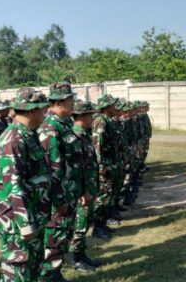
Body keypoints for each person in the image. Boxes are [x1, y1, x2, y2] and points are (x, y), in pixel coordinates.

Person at [0, 88, 51, 281]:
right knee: (17, 274)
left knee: (32, 270)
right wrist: (25, 225)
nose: (46, 112)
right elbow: (13, 185)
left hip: (33, 215)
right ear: (32, 110)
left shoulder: (28, 134)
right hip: (17, 222)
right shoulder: (14, 139)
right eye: (43, 108)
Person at [37, 82, 78, 282]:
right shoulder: (50, 127)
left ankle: (55, 272)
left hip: (69, 191)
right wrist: (59, 197)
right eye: (71, 100)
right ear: (60, 102)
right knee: (54, 235)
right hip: (57, 195)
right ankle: (47, 275)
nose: (74, 104)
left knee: (63, 235)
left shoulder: (65, 123)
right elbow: (52, 168)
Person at [68, 100, 101, 273]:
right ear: (81, 116)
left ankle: (81, 254)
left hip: (88, 188)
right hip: (81, 191)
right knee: (79, 225)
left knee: (86, 222)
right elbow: (76, 168)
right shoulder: (73, 136)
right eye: (90, 115)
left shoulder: (84, 134)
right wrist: (83, 191)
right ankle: (75, 258)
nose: (93, 118)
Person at [92, 94, 120, 234]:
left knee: (107, 196)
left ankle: (102, 223)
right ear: (107, 107)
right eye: (113, 105)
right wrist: (101, 168)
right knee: (102, 197)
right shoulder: (100, 121)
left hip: (109, 165)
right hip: (104, 167)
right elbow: (98, 147)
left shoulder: (106, 120)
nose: (115, 107)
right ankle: (97, 227)